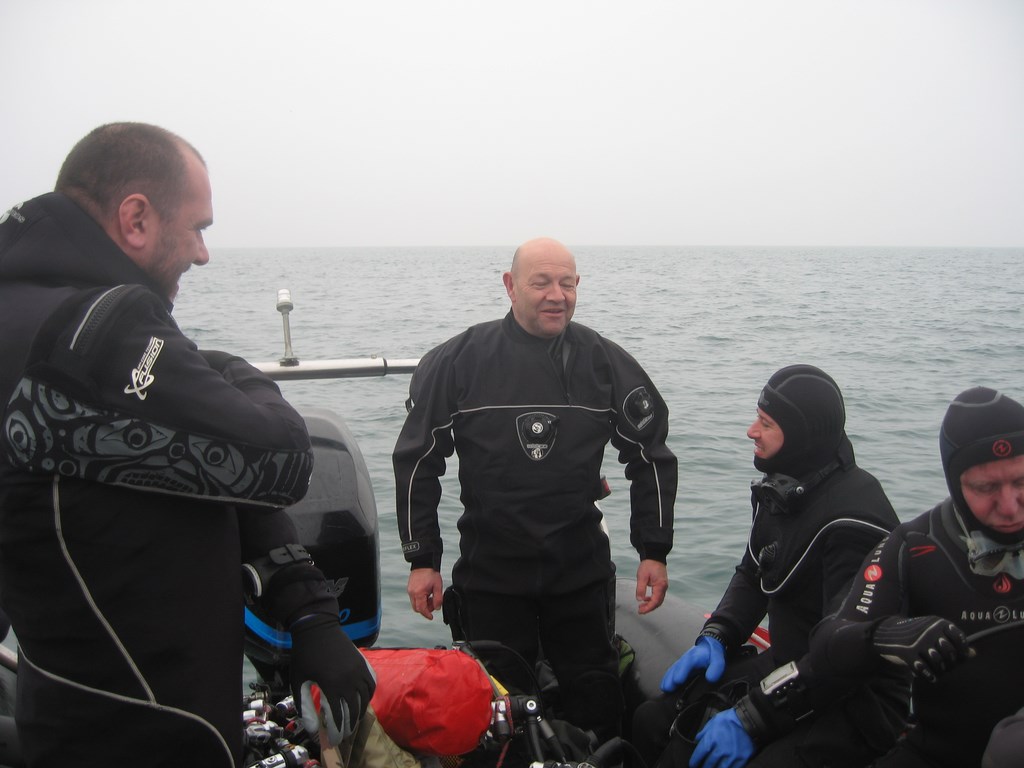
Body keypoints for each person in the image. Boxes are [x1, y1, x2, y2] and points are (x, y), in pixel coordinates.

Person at [0, 123, 374, 766]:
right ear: (136, 219)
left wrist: (306, 606)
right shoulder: (92, 331)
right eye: (198, 227)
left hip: (61, 712)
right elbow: (279, 461)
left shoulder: (30, 312)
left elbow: (191, 461)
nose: (203, 254)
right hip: (153, 734)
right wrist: (233, 370)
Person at [392, 237, 677, 738]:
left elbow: (650, 454)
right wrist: (422, 560)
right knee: (498, 716)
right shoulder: (460, 361)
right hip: (492, 572)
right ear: (510, 286)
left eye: (567, 283)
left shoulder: (604, 362)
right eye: (541, 282)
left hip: (579, 569)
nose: (556, 295)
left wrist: (654, 550)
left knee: (597, 699)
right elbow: (418, 460)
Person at [632, 364, 907, 768]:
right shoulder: (787, 488)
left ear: (801, 435)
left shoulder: (854, 524)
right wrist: (718, 634)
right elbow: (754, 570)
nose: (751, 431)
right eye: (757, 418)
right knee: (652, 721)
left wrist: (754, 718)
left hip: (854, 701)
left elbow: (846, 659)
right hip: (791, 663)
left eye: (766, 423)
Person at [804, 386, 1024, 767]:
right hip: (936, 753)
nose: (1009, 506)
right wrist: (884, 635)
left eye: (1021, 482)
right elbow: (826, 647)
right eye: (985, 487)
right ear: (955, 482)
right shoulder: (916, 545)